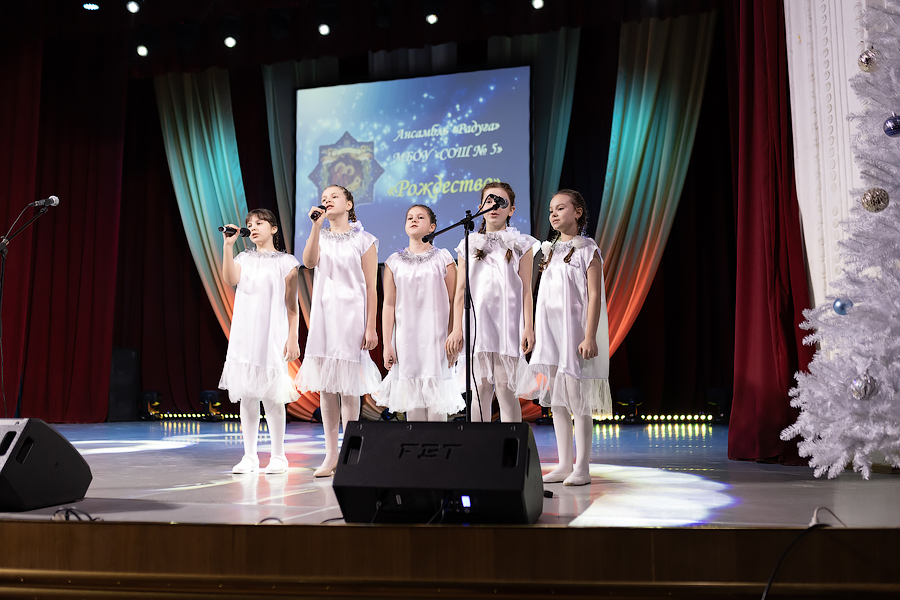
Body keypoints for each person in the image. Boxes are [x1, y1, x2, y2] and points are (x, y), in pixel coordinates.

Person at [522, 189, 611, 486]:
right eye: (551, 210)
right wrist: (536, 331)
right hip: (551, 334)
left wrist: (589, 335)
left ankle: (582, 467)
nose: (554, 214)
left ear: (578, 212)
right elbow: (543, 296)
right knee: (557, 401)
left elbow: (595, 295)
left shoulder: (587, 249)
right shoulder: (548, 251)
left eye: (561, 208)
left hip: (574, 332)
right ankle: (563, 464)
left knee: (577, 398)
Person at [294, 185, 381, 477]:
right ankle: (330, 455)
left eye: (334, 197)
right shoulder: (319, 235)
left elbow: (371, 287)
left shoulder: (365, 240)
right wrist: (315, 227)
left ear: (349, 203)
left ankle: (349, 453)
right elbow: (309, 262)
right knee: (327, 386)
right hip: (324, 317)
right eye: (324, 198)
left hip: (352, 317)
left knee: (349, 387)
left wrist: (371, 326)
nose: (327, 201)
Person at [446, 182, 537, 422]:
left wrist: (528, 327)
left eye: (501, 202)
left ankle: (511, 443)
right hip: (478, 326)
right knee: (480, 390)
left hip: (508, 324)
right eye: (489, 201)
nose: (494, 206)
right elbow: (461, 290)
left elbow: (526, 289)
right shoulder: (469, 243)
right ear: (480, 208)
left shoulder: (522, 243)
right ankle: (479, 444)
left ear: (512, 209)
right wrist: (456, 328)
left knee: (506, 390)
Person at [219, 208, 300, 475]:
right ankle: (249, 456)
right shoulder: (243, 258)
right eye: (250, 224)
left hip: (272, 333)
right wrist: (228, 246)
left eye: (260, 223)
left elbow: (292, 306)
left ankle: (278, 456)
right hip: (245, 333)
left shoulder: (287, 262)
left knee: (273, 395)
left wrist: (293, 336)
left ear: (274, 229)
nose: (253, 227)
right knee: (248, 394)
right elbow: (230, 279)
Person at [378, 205, 463, 421]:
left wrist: (454, 334)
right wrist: (387, 344)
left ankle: (437, 442)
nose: (414, 220)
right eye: (410, 218)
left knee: (436, 398)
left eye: (420, 217)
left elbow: (454, 300)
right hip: (406, 339)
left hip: (437, 338)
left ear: (432, 227)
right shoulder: (394, 261)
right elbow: (389, 305)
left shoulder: (443, 258)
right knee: (412, 399)